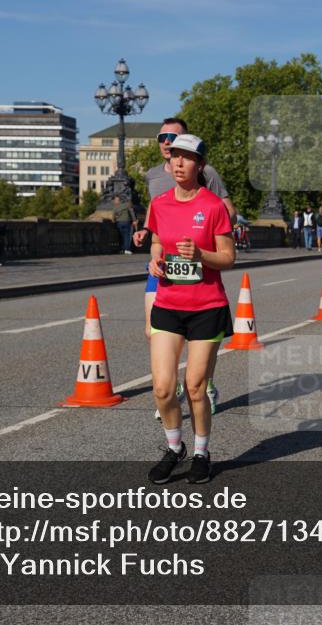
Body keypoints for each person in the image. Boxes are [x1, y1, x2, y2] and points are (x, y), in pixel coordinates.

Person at [145, 134, 235, 485]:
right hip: (168, 304)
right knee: (163, 389)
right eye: (174, 157)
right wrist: (155, 261)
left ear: (200, 165)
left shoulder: (213, 206)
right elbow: (156, 242)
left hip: (206, 307)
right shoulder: (160, 204)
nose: (179, 162)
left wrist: (200, 255)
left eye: (187, 157)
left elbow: (228, 257)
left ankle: (201, 453)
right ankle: (174, 448)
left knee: (195, 387)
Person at [133, 117, 234, 417]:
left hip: (200, 276)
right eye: (163, 138)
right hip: (166, 270)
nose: (167, 142)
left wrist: (210, 228)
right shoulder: (153, 175)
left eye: (173, 138)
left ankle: (202, 383)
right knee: (152, 332)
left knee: (198, 356)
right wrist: (150, 242)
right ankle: (169, 388)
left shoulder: (207, 174)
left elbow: (226, 209)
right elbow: (156, 224)